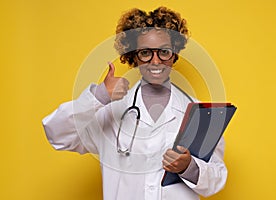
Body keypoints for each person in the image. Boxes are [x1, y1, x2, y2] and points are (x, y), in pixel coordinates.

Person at [42, 6, 227, 200]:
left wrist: (189, 168)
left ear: (174, 54)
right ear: (134, 55)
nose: (155, 61)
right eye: (145, 52)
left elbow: (217, 178)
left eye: (164, 51)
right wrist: (99, 96)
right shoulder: (108, 111)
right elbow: (57, 134)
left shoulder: (201, 114)